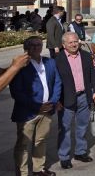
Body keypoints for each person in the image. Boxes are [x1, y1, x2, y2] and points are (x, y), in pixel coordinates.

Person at [10, 36, 62, 176]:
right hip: (27, 112)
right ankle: (22, 173)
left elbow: (57, 82)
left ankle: (39, 169)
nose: (35, 47)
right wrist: (36, 106)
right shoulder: (20, 66)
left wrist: (53, 101)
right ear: (26, 47)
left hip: (47, 110)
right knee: (23, 145)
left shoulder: (50, 62)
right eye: (32, 45)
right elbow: (16, 91)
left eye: (38, 44)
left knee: (41, 140)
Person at [55, 32, 95, 169]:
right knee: (65, 129)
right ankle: (64, 156)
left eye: (76, 41)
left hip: (84, 96)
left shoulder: (86, 56)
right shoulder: (57, 60)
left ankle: (80, 152)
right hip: (66, 99)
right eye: (70, 42)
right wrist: (56, 100)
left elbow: (93, 75)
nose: (74, 44)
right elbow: (55, 82)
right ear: (64, 45)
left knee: (82, 126)